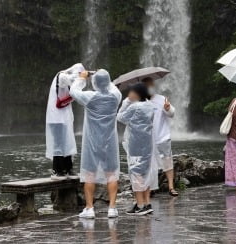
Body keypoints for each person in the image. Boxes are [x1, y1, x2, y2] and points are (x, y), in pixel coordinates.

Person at [70, 69, 122, 219]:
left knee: (89, 174)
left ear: (95, 83)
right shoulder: (116, 97)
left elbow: (73, 92)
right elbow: (112, 86)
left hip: (92, 142)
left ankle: (89, 208)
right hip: (109, 142)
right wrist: (103, 76)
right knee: (111, 173)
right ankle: (112, 208)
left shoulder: (90, 97)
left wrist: (82, 78)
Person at [117, 83, 158, 216]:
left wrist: (126, 101)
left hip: (135, 144)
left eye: (132, 92)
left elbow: (120, 117)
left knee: (136, 173)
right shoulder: (151, 106)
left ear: (137, 93)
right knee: (145, 173)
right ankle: (146, 203)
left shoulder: (134, 106)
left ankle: (140, 205)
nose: (130, 94)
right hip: (147, 144)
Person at [45, 63, 84, 179]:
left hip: (65, 117)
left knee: (68, 143)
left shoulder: (69, 82)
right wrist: (81, 77)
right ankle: (57, 170)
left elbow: (76, 89)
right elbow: (68, 80)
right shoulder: (61, 76)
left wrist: (81, 78)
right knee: (58, 144)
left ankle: (68, 168)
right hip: (55, 118)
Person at [142, 77, 178, 197]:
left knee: (167, 161)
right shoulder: (140, 101)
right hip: (147, 139)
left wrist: (168, 108)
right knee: (148, 164)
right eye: (147, 85)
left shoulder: (161, 99)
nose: (149, 87)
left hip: (162, 136)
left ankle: (171, 187)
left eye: (151, 85)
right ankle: (151, 188)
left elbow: (172, 113)